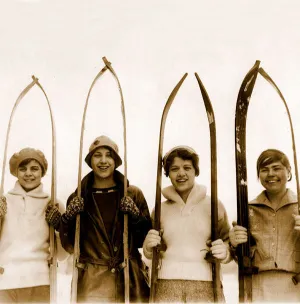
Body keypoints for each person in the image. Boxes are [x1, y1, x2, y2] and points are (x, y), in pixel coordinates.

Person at [58, 135, 151, 303]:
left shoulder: (133, 194)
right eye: (97, 155)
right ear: (89, 160)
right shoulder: (78, 197)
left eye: (109, 155)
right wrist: (68, 218)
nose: (103, 160)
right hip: (91, 283)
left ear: (116, 160)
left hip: (129, 280)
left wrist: (135, 216)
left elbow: (144, 241)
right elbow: (69, 245)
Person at [143, 146, 232, 303]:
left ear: (195, 171)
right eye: (174, 169)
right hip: (165, 284)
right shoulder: (160, 209)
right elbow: (152, 250)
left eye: (187, 168)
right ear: (168, 174)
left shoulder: (213, 205)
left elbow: (228, 242)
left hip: (207, 284)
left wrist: (224, 251)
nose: (181, 173)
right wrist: (148, 248)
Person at [229, 149, 300, 302]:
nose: (270, 174)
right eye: (264, 170)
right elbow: (239, 257)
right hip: (258, 286)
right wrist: (234, 244)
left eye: (276, 168)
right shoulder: (247, 210)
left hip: (295, 285)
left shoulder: (299, 207)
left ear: (288, 172)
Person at [0, 147, 68, 303]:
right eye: (22, 169)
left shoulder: (53, 204)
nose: (28, 173)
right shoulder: (3, 201)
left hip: (39, 281)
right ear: (15, 172)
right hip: (5, 281)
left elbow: (63, 256)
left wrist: (60, 227)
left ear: (42, 172)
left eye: (34, 169)